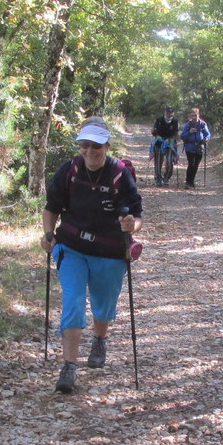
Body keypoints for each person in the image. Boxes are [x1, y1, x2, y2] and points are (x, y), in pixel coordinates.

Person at [41, 117, 144, 393]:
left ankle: (100, 338)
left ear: (107, 146)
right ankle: (69, 368)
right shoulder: (70, 170)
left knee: (103, 304)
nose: (89, 151)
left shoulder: (120, 175)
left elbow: (137, 216)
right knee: (73, 301)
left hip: (109, 252)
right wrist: (48, 233)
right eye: (84, 145)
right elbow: (51, 207)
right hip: (71, 247)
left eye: (96, 145)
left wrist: (130, 225)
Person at [179, 107, 210, 188]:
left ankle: (191, 181)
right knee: (191, 164)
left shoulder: (203, 124)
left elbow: (208, 134)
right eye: (192, 116)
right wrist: (189, 132)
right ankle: (188, 182)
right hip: (189, 147)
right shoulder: (188, 125)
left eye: (195, 115)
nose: (194, 117)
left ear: (198, 115)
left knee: (196, 165)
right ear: (190, 116)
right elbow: (182, 136)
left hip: (200, 147)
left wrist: (206, 138)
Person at [151, 106, 179, 186]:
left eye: (171, 113)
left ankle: (166, 178)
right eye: (167, 113)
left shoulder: (175, 121)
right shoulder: (159, 120)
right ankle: (158, 179)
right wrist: (153, 131)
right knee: (158, 161)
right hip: (160, 141)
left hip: (170, 142)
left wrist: (177, 142)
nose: (169, 114)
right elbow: (154, 132)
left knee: (170, 161)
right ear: (165, 112)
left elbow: (176, 133)